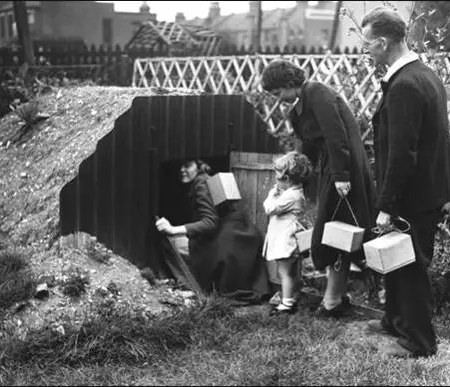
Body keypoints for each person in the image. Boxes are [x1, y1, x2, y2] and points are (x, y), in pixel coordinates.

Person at [359, 7, 450, 357]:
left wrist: (387, 205)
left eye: (368, 44)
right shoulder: (423, 74)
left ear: (383, 42)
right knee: (396, 257)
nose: (366, 50)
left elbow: (403, 154)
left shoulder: (405, 84)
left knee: (410, 264)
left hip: (414, 193)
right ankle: (394, 321)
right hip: (426, 187)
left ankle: (420, 341)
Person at [261, 60, 378, 318]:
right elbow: (307, 152)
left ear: (290, 83)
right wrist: (298, 178)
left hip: (344, 171)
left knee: (336, 231)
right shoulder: (298, 110)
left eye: (278, 92)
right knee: (337, 232)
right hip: (330, 171)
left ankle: (333, 300)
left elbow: (337, 137)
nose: (277, 99)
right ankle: (335, 297)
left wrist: (341, 176)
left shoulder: (318, 93)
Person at [155, 159, 271, 303]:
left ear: (199, 166)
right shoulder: (208, 180)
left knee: (167, 244)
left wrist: (172, 229)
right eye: (179, 165)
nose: (181, 170)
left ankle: (194, 288)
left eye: (187, 165)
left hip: (230, 245)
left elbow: (210, 222)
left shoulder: (201, 186)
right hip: (242, 239)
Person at [263, 151, 312, 315]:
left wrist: (272, 194)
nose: (276, 182)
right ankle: (292, 297)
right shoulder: (294, 192)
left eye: (278, 179)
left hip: (286, 241)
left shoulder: (291, 196)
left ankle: (286, 304)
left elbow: (269, 208)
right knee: (290, 272)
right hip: (288, 239)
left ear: (288, 179)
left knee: (284, 273)